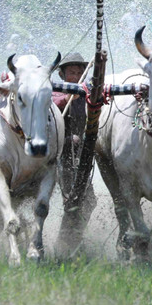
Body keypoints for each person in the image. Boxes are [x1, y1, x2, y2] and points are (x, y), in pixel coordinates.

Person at [51, 52, 96, 217]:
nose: (76, 76)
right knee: (71, 199)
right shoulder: (55, 91)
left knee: (90, 201)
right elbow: (54, 104)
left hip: (83, 153)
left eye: (79, 73)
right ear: (62, 74)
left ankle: (77, 234)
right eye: (71, 73)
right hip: (61, 152)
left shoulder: (87, 92)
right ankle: (69, 230)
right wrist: (67, 97)